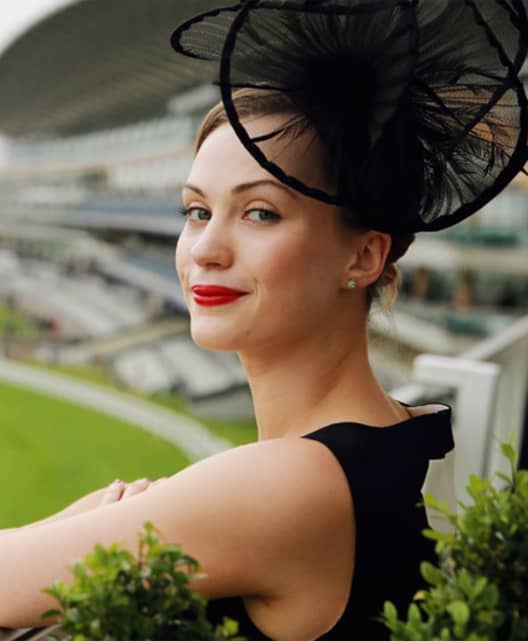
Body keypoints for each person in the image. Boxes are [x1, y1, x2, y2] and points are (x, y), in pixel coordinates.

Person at [1, 1, 527, 640]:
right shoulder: (387, 432)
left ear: (364, 255)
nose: (205, 249)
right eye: (197, 211)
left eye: (259, 214)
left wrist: (67, 524)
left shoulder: (289, 482)